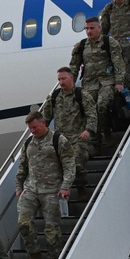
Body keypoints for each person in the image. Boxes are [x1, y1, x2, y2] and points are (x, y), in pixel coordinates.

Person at [16, 111, 75, 259]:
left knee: (51, 226)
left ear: (43, 123)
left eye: (35, 127)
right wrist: (19, 187)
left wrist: (65, 186)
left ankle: (53, 257)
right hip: (31, 189)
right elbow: (22, 167)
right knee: (23, 222)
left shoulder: (59, 140)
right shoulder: (28, 143)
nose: (33, 131)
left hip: (52, 190)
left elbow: (69, 165)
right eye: (30, 129)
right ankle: (34, 253)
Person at [69, 17, 127, 148]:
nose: (89, 31)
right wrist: (70, 84)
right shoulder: (81, 46)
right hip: (89, 84)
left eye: (92, 28)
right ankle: (96, 143)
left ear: (99, 28)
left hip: (107, 82)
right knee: (89, 111)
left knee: (101, 106)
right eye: (87, 29)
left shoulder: (109, 42)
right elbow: (74, 67)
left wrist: (119, 82)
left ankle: (106, 132)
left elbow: (119, 64)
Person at [42, 67, 97, 196]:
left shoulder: (82, 95)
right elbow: (46, 117)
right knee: (57, 168)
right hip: (61, 139)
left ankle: (81, 187)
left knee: (77, 165)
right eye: (59, 79)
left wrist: (88, 130)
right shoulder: (54, 96)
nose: (61, 82)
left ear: (71, 78)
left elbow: (92, 114)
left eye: (63, 79)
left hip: (79, 138)